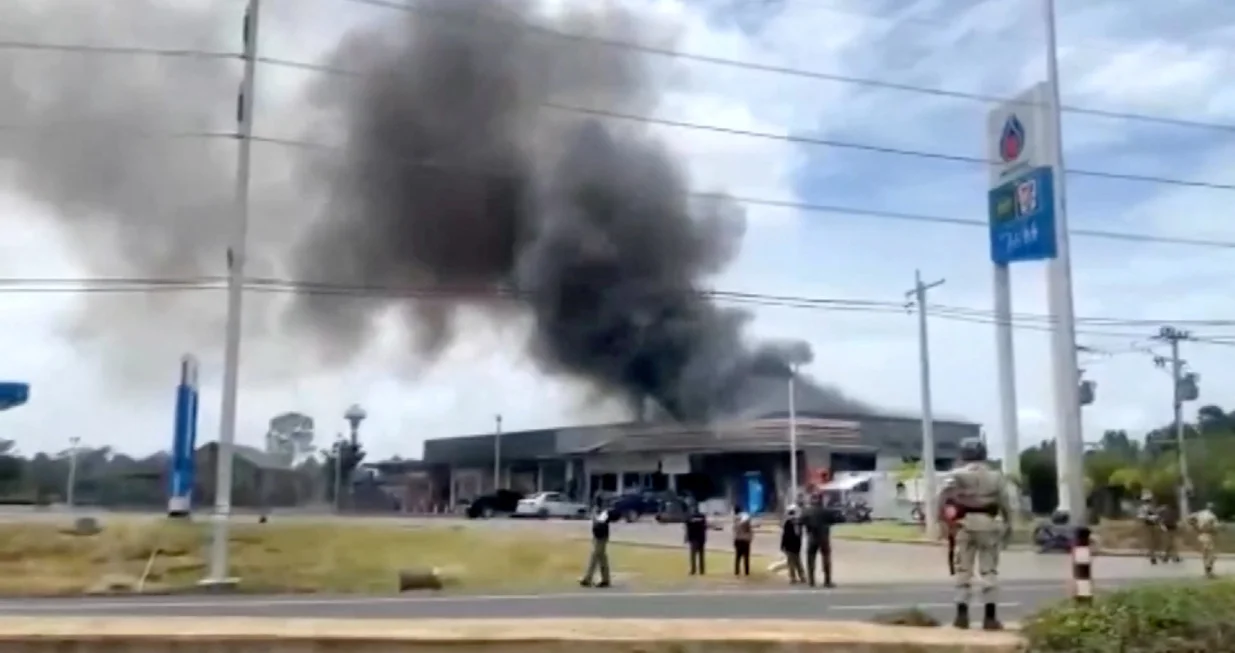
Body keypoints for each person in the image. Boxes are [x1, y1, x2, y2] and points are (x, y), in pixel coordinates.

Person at [944, 436, 1012, 631]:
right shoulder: (996, 476)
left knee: (963, 571)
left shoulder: (955, 475)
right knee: (988, 570)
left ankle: (961, 616)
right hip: (988, 524)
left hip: (963, 525)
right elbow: (1006, 503)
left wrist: (942, 522)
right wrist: (1009, 524)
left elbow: (942, 497)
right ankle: (990, 618)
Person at [800, 493, 837, 588]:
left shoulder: (807, 511)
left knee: (810, 559)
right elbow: (834, 520)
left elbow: (801, 521)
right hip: (823, 536)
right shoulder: (826, 511)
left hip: (812, 536)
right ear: (821, 500)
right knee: (826, 558)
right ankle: (827, 580)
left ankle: (811, 580)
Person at [580, 504, 612, 588]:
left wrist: (594, 516)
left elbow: (599, 525)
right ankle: (605, 579)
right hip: (598, 537)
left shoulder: (604, 513)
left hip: (601, 537)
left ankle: (588, 579)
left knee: (594, 557)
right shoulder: (600, 513)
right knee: (602, 558)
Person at [1190, 502, 1220, 578]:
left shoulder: (1200, 513)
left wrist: (1195, 526)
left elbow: (1190, 518)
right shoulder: (1212, 516)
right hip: (1208, 535)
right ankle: (1209, 568)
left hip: (1201, 535)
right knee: (1212, 554)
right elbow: (1216, 527)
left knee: (1205, 554)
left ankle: (1207, 572)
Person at [780, 504, 806, 584]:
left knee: (791, 562)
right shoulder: (799, 522)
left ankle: (792, 577)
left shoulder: (788, 523)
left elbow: (785, 535)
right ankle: (802, 576)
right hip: (797, 544)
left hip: (789, 545)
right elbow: (800, 535)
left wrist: (782, 545)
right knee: (798, 561)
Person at [1137, 492, 1164, 564]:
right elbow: (1140, 516)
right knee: (1150, 542)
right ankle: (1153, 556)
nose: (1149, 501)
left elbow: (1158, 515)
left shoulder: (1153, 507)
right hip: (1148, 526)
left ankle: (1156, 555)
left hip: (1155, 525)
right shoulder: (1143, 508)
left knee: (1156, 541)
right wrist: (1149, 517)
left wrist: (1158, 519)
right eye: (1148, 500)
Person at [685, 505, 708, 575]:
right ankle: (702, 570)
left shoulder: (689, 518)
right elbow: (705, 527)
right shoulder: (702, 517)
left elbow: (688, 529)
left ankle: (693, 570)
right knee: (701, 555)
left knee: (693, 556)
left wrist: (686, 538)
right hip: (701, 538)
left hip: (694, 538)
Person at [732, 511, 754, 576]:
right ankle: (746, 571)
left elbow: (734, 530)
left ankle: (737, 571)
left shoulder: (736, 522)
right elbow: (750, 532)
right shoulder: (746, 523)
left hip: (738, 540)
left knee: (737, 557)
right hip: (745, 541)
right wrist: (750, 539)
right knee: (746, 557)